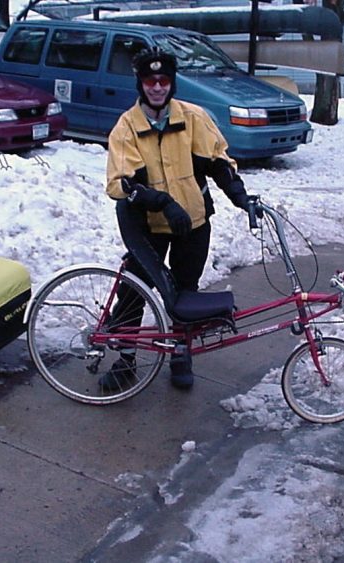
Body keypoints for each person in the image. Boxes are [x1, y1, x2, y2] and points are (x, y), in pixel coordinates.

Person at [101, 47, 257, 391]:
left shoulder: (193, 117)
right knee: (132, 293)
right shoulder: (127, 127)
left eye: (164, 80)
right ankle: (125, 359)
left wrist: (241, 198)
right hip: (149, 228)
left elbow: (218, 163)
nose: (157, 87)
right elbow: (121, 183)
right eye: (150, 80)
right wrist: (161, 202)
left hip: (193, 224)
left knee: (186, 293)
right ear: (140, 84)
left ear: (171, 83)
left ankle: (180, 354)